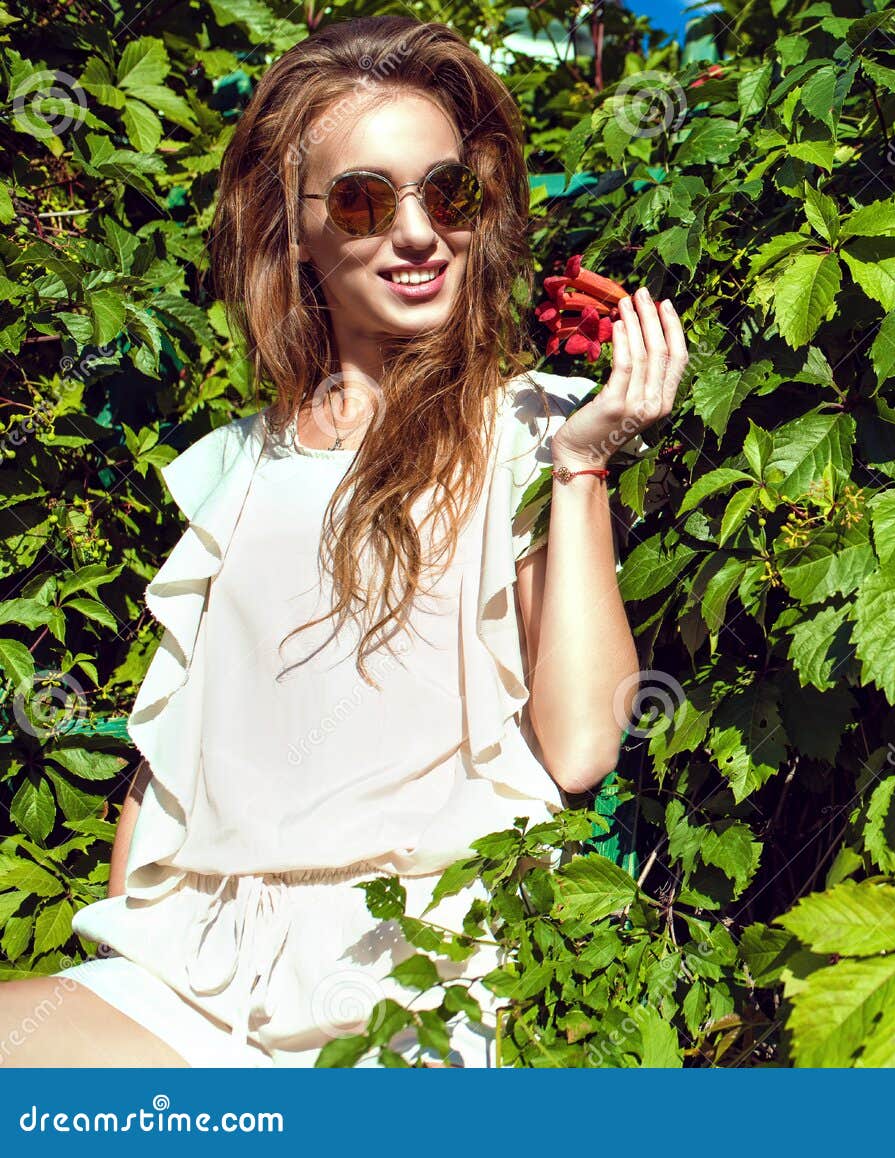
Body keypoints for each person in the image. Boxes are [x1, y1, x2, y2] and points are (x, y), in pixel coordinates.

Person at [0, 13, 686, 1067]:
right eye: (365, 200)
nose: (416, 232)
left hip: (420, 975)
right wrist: (126, 948)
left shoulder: (530, 427)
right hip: (195, 976)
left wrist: (585, 467)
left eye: (446, 192)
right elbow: (163, 765)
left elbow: (585, 744)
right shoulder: (235, 468)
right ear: (294, 228)